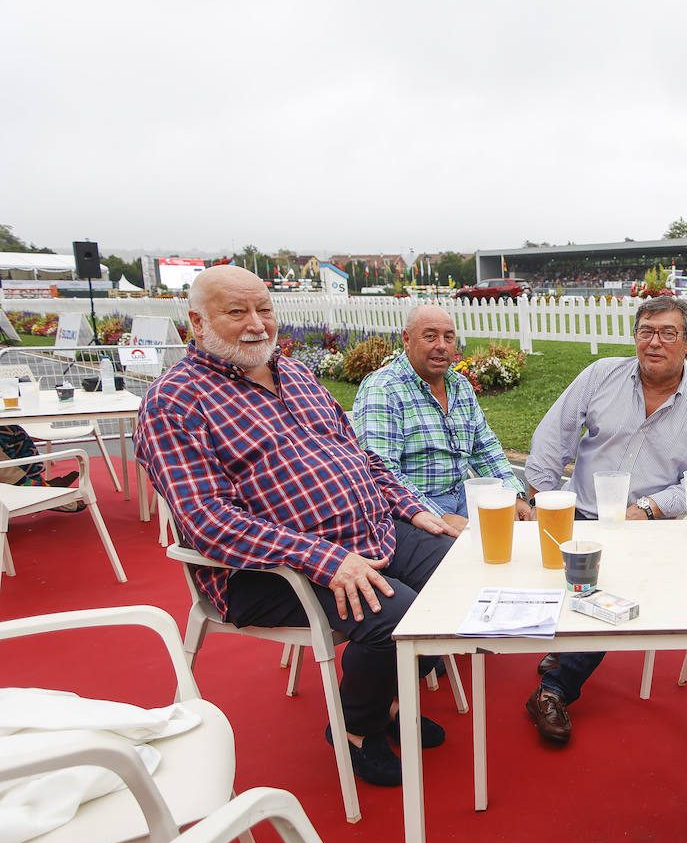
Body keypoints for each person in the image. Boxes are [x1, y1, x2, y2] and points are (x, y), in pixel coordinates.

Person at [135, 265, 463, 789]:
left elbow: (363, 458)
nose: (256, 324)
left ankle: (389, 697)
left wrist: (411, 505)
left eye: (264, 308)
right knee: (395, 614)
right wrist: (326, 560)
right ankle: (357, 730)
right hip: (269, 569)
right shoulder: (175, 401)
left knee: (458, 573)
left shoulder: (297, 375)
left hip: (368, 529)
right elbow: (206, 521)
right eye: (236, 311)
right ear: (197, 322)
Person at [522, 294, 687, 742]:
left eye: (668, 333)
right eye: (645, 332)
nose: (654, 343)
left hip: (648, 525)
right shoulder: (601, 376)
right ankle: (562, 645)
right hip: (582, 515)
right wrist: (538, 498)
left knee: (614, 587)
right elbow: (552, 437)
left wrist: (650, 508)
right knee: (555, 570)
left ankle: (552, 689)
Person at [353, 305, 531, 528]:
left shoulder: (459, 385)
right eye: (430, 337)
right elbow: (382, 472)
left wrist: (513, 495)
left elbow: (485, 448)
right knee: (471, 553)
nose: (441, 346)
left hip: (465, 498)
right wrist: (440, 516)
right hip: (411, 511)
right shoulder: (383, 389)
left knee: (522, 538)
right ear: (407, 339)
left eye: (449, 337)